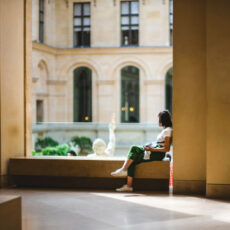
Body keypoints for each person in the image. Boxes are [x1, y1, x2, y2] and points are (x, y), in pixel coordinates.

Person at [111, 110, 173, 192]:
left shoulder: (167, 131)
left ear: (162, 119)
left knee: (134, 148)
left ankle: (123, 169)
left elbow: (167, 149)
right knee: (132, 160)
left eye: (159, 118)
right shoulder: (166, 130)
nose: (158, 120)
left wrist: (151, 149)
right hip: (154, 151)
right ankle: (128, 185)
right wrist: (150, 145)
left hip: (157, 154)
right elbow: (161, 143)